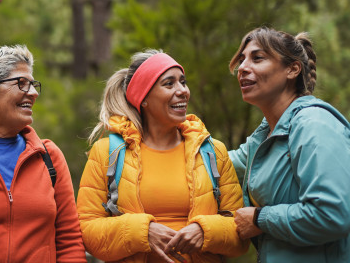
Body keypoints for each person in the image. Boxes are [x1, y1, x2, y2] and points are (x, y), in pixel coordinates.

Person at [77, 50, 249, 263]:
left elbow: (240, 231)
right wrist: (142, 232)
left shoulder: (213, 151)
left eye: (183, 82)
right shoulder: (108, 152)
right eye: (169, 84)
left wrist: (206, 231)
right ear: (144, 98)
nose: (183, 91)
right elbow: (87, 230)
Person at [0, 45, 86, 263]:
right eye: (21, 83)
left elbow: (69, 240)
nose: (33, 93)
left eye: (32, 84)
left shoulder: (48, 156)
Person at [228, 27, 350, 262]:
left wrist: (260, 219)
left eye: (257, 58)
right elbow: (218, 162)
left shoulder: (313, 124)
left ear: (292, 69)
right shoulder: (265, 137)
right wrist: (173, 129)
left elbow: (332, 214)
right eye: (242, 59)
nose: (242, 67)